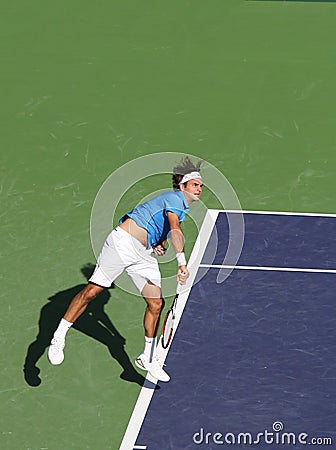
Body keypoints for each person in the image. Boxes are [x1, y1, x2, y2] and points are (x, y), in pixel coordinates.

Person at [48, 156, 203, 382]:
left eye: (201, 185)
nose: (200, 189)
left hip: (143, 254)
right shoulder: (175, 199)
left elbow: (162, 229)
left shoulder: (177, 205)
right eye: (195, 185)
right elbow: (175, 229)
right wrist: (181, 262)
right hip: (123, 244)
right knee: (92, 291)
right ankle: (59, 336)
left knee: (156, 303)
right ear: (183, 186)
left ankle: (148, 357)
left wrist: (159, 242)